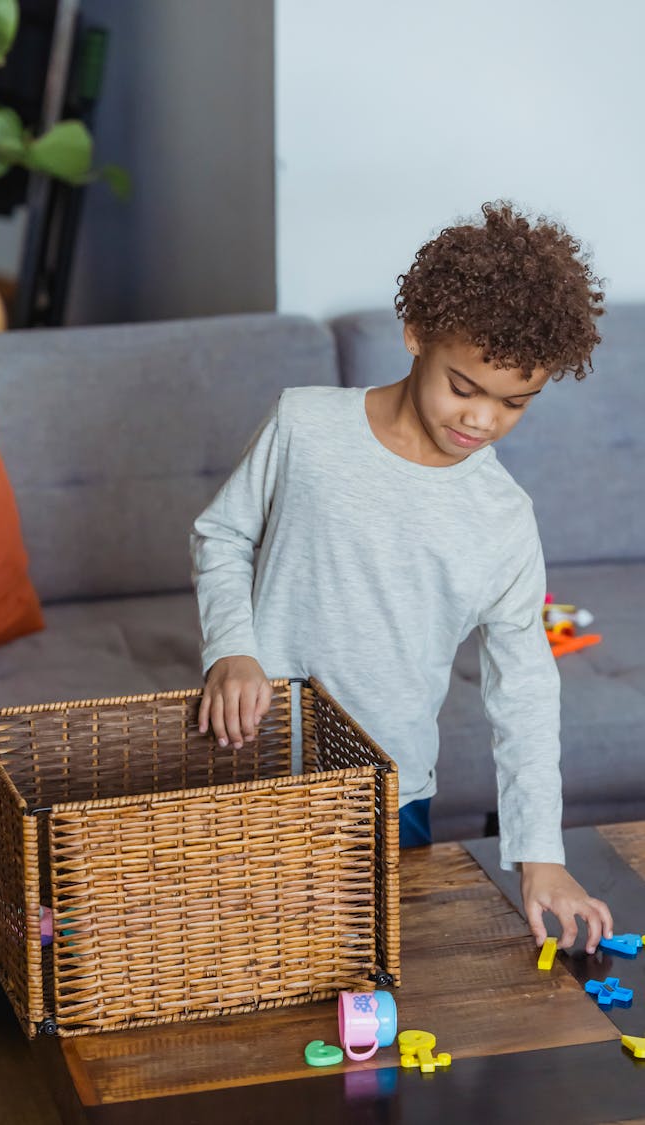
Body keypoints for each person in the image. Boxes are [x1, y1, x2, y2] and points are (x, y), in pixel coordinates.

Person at [190, 201, 614, 955]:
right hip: (252, 766)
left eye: (514, 402)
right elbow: (221, 532)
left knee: (372, 982)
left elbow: (524, 687)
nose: (481, 419)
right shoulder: (305, 426)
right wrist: (232, 648)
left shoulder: (504, 517)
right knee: (244, 967)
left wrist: (541, 855)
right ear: (416, 333)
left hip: (393, 792)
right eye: (464, 385)